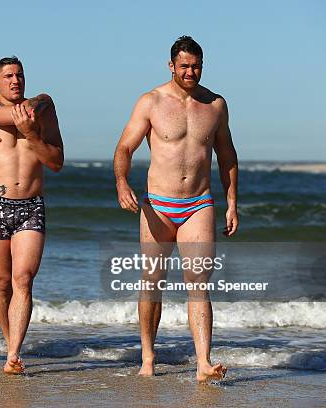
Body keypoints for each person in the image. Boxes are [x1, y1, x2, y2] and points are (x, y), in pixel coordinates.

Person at [113, 36, 238, 383]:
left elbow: (227, 156)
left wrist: (231, 203)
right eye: (184, 66)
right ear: (171, 65)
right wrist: (123, 183)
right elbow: (125, 146)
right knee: (152, 281)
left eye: (196, 66)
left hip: (199, 202)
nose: (190, 72)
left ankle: (203, 363)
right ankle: (148, 358)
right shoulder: (151, 102)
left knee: (199, 282)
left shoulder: (215, 105)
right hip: (158, 205)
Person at [0, 56, 63, 374]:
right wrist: (39, 107)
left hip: (31, 206)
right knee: (2, 283)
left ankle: (13, 354)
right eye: (8, 76)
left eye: (20, 75)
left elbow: (56, 162)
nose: (15, 81)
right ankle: (8, 339)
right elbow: (17, 116)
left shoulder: (41, 113)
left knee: (23, 280)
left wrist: (35, 134)